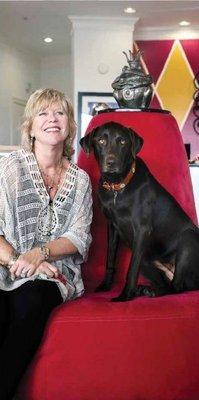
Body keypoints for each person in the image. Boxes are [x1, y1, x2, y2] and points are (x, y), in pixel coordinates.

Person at [0, 88, 93, 400]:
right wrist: (20, 260)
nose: (52, 119)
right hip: (7, 266)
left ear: (68, 124)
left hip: (57, 274)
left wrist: (40, 254)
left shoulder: (80, 180)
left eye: (59, 113)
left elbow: (79, 236)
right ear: (30, 126)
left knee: (31, 300)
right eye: (43, 113)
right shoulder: (10, 168)